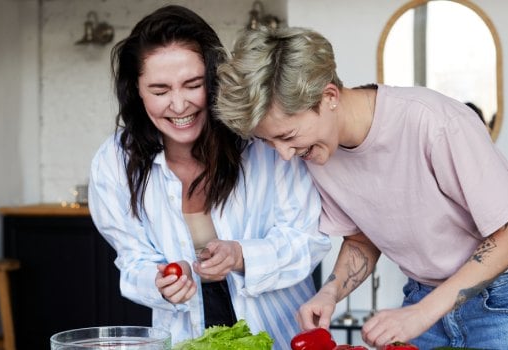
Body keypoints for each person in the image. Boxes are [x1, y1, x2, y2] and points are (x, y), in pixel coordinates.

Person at [214, 26, 508, 350]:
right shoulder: (319, 153)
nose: (285, 155)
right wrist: (331, 293)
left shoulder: (433, 122)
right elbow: (363, 236)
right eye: (270, 141)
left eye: (288, 136)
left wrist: (423, 312)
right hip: (426, 295)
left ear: (329, 96)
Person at [87, 6, 330, 348]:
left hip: (280, 333)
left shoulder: (262, 142)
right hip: (186, 338)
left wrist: (242, 256)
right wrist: (159, 283)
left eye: (193, 85)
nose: (179, 104)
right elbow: (133, 260)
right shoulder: (114, 162)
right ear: (137, 92)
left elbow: (308, 240)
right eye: (159, 91)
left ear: (214, 80)